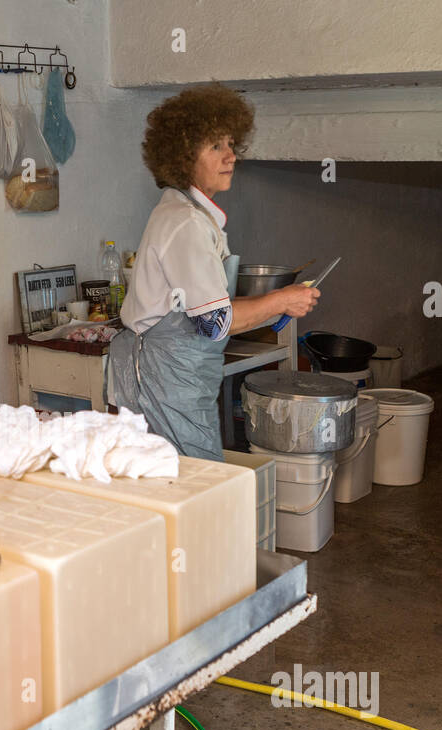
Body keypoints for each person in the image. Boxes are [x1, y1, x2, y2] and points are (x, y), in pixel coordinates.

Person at [110, 85, 320, 461]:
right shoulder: (184, 223)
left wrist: (276, 308)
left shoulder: (190, 215)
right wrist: (279, 299)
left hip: (176, 376)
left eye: (231, 144)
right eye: (215, 147)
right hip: (166, 380)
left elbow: (209, 310)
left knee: (183, 486)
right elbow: (213, 323)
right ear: (183, 158)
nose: (231, 157)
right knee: (194, 486)